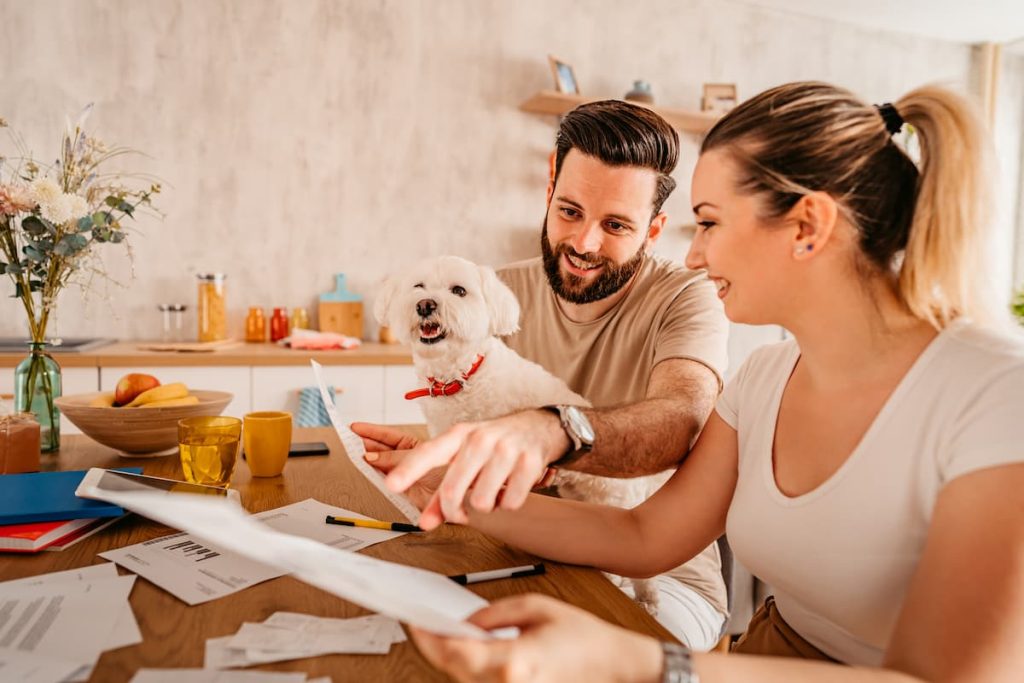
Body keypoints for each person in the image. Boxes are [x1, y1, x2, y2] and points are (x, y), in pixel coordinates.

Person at [384, 81, 1024, 682]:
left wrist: (637, 661)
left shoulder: (996, 395)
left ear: (807, 227)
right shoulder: (764, 377)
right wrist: (454, 485)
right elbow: (642, 536)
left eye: (710, 222)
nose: (693, 254)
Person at [353, 99, 731, 649]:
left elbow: (683, 419)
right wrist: (454, 464)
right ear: (550, 186)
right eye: (570, 211)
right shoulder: (488, 291)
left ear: (654, 230)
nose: (584, 244)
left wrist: (554, 430)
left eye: (617, 225)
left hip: (663, 577)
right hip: (521, 546)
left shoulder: (687, 297)